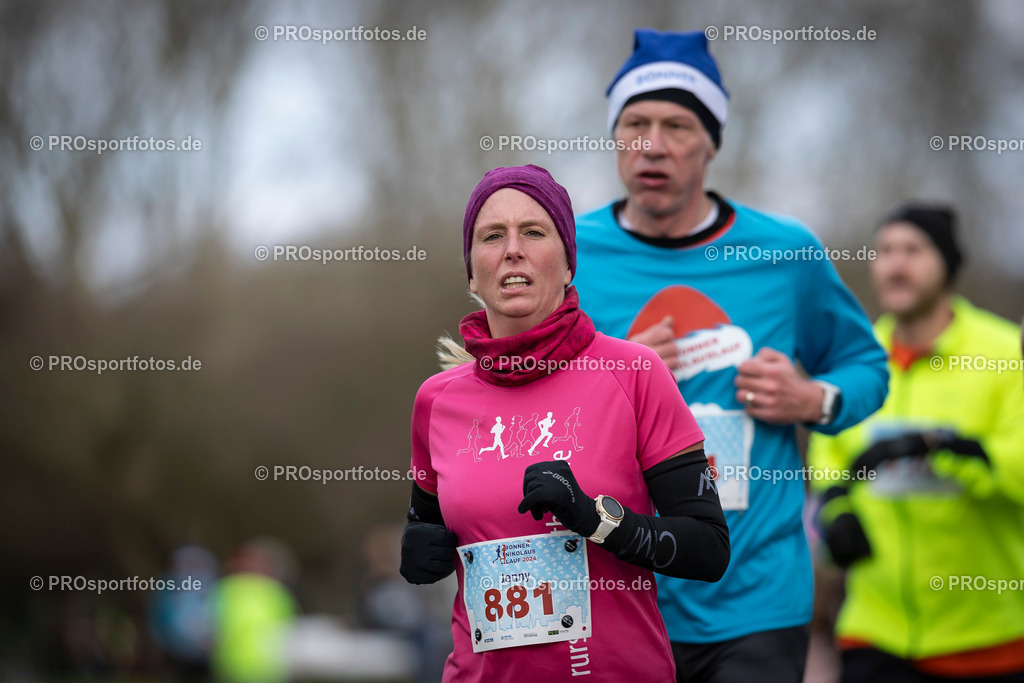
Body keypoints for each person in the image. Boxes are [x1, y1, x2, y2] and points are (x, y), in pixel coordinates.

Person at [571, 29, 890, 683]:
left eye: (677, 126)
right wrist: (609, 371)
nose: (652, 144)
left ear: (711, 143)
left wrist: (814, 398)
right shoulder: (569, 253)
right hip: (617, 592)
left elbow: (868, 367)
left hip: (755, 599)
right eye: (635, 123)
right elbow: (518, 396)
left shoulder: (786, 253)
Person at [399, 164, 730, 682]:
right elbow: (427, 526)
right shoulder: (437, 401)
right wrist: (420, 551)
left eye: (534, 231)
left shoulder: (634, 373)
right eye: (492, 236)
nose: (513, 249)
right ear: (471, 272)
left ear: (569, 262)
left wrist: (597, 519)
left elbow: (708, 548)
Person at [807, 204, 1024, 682]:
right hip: (873, 632)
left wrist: (949, 452)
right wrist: (836, 513)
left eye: (913, 251)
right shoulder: (856, 358)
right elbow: (828, 458)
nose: (895, 264)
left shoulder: (1006, 353)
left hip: (988, 638)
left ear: (946, 264)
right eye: (884, 251)